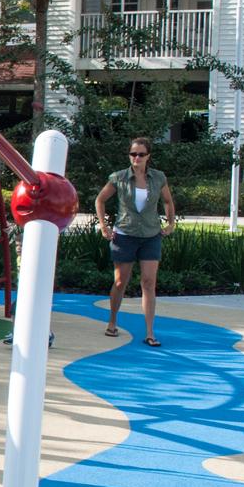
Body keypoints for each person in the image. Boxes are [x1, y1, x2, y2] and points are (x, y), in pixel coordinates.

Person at [94, 136, 177, 348]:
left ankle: (150, 332)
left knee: (149, 283)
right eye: (133, 154)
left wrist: (170, 223)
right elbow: (100, 199)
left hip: (151, 235)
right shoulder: (119, 177)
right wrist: (104, 225)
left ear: (148, 156)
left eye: (141, 154)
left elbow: (168, 201)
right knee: (121, 281)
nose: (136, 158)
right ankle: (112, 322)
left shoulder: (158, 178)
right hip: (125, 234)